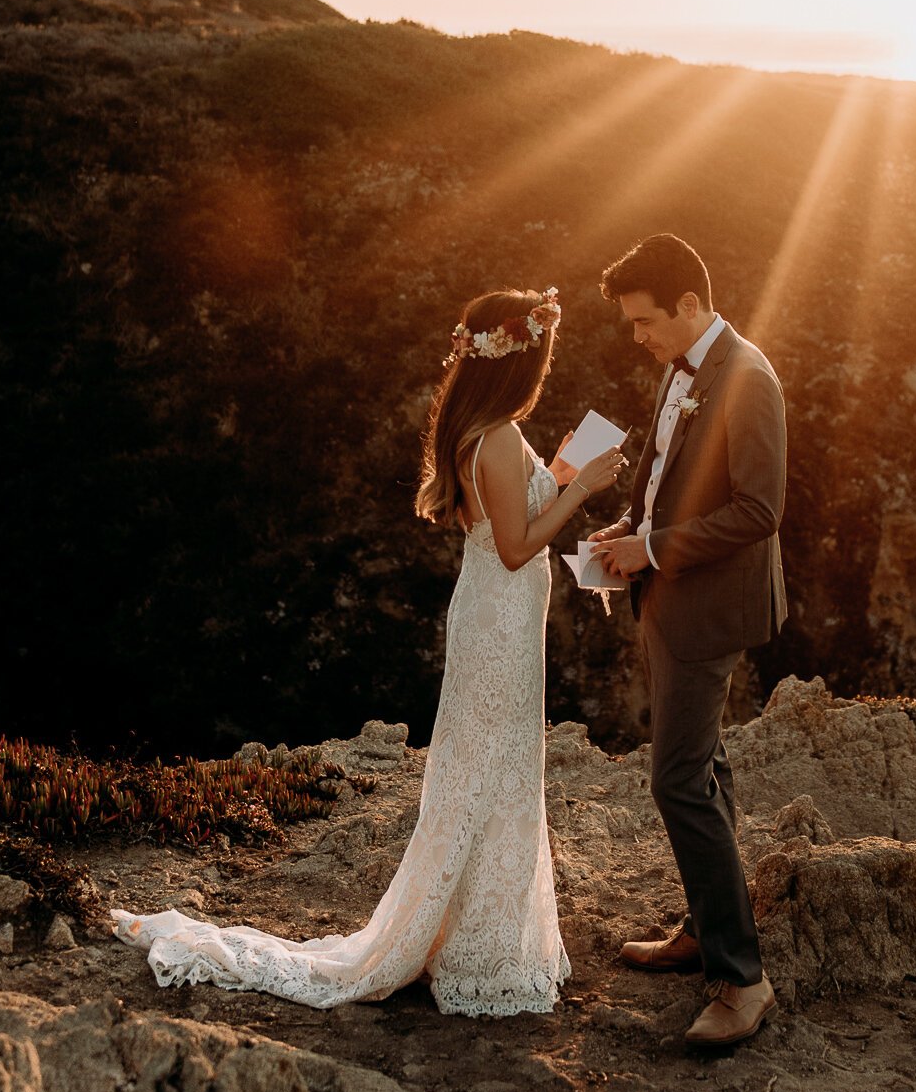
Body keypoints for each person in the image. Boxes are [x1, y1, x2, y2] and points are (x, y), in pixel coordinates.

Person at [110, 284, 625, 1016]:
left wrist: (564, 473)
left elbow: (509, 511)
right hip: (502, 617)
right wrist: (584, 491)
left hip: (491, 615)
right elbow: (515, 546)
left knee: (487, 765)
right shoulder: (501, 437)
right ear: (522, 359)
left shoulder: (482, 430)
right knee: (495, 764)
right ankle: (474, 942)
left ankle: (463, 930)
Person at [593, 234, 787, 1048]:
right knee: (703, 766)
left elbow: (757, 510)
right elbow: (671, 469)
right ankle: (704, 928)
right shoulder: (685, 371)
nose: (636, 337)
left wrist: (654, 549)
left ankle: (741, 980)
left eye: (644, 321)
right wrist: (630, 527)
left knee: (676, 782)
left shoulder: (747, 379)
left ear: (688, 305)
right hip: (667, 599)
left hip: (707, 607)